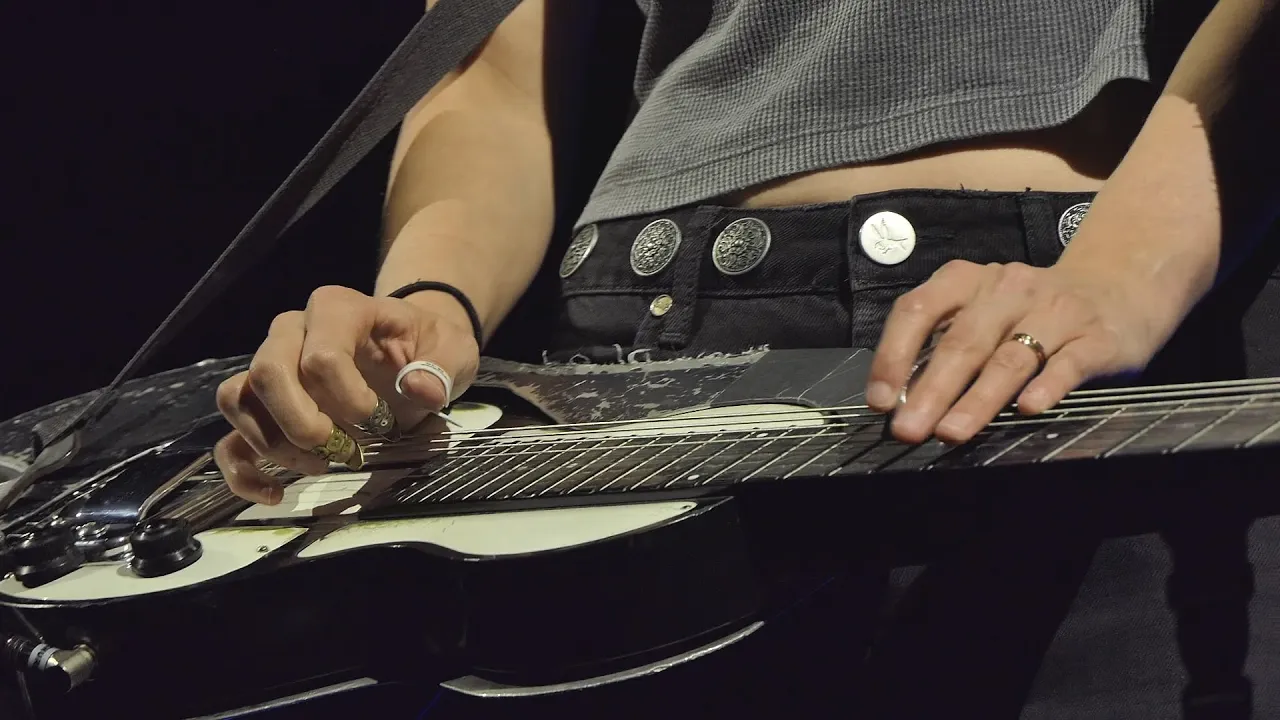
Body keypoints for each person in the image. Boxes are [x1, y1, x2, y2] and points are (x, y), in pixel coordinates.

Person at [211, 1, 1280, 717]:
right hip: (616, 377)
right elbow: (489, 69)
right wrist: (426, 302)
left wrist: (1120, 273)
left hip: (1032, 360)